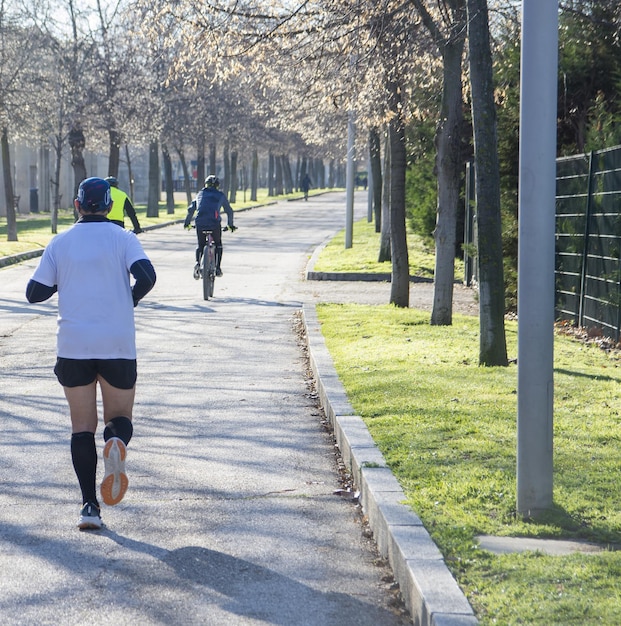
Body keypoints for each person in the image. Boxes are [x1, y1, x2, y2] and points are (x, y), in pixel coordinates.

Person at [26, 177, 156, 531]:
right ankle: (115, 442)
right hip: (115, 343)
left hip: (73, 345)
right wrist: (128, 299)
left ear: (77, 204)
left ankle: (89, 507)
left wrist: (61, 280)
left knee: (81, 426)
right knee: (119, 418)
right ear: (110, 206)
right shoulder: (124, 238)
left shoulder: (60, 242)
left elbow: (33, 293)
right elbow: (147, 276)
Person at [184, 175, 236, 278]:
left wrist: (187, 223)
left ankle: (197, 263)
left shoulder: (200, 194)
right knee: (218, 244)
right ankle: (217, 268)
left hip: (200, 223)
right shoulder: (220, 195)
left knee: (200, 244)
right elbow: (229, 211)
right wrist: (230, 225)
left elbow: (191, 209)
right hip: (214, 224)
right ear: (217, 186)